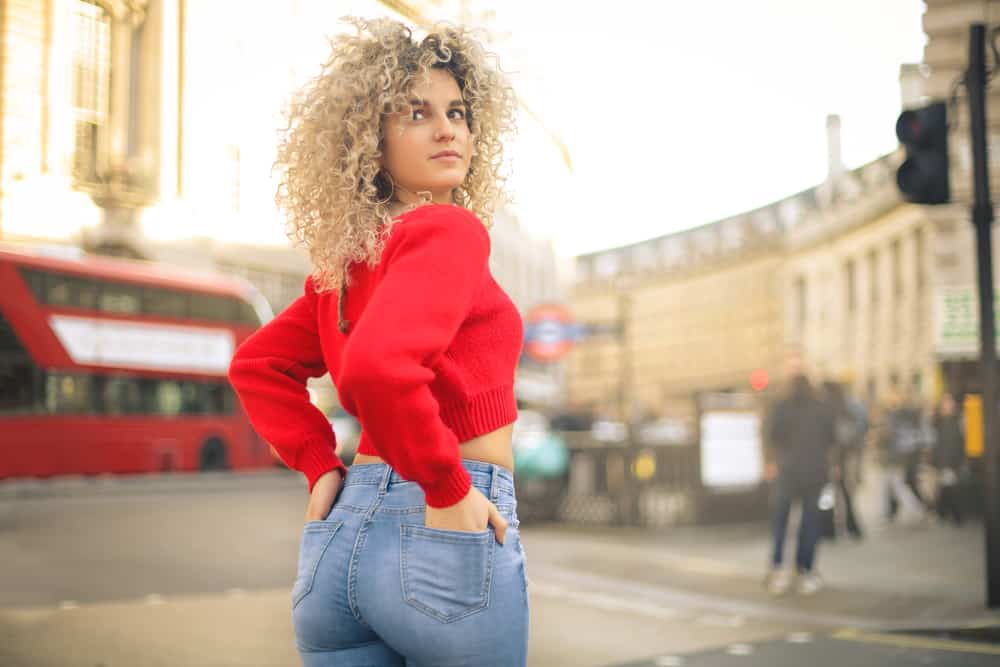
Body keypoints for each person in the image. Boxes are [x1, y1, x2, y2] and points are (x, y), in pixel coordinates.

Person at [227, 18, 527, 666]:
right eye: (417, 113)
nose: (448, 128)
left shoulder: (342, 266)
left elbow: (256, 367)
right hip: (441, 520)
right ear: (370, 140)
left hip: (338, 548)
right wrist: (447, 487)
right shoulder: (449, 228)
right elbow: (379, 367)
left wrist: (318, 464)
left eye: (458, 111)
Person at [763, 372, 836, 596]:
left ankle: (777, 570)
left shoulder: (781, 407)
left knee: (780, 523)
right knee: (810, 524)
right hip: (815, 472)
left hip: (788, 471)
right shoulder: (821, 408)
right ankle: (805, 570)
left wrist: (771, 463)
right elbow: (831, 439)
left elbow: (771, 435)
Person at [821, 380, 867, 540]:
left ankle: (829, 529)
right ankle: (852, 527)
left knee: (828, 494)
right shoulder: (846, 408)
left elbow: (832, 439)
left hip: (832, 459)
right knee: (845, 494)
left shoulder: (827, 409)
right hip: (845, 458)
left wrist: (833, 462)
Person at [879, 389, 928, 525]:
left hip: (897, 458)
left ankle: (917, 509)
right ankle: (890, 512)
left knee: (898, 486)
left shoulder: (899, 418)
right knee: (891, 485)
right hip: (894, 457)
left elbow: (897, 439)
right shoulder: (893, 416)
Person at [931, 393, 966, 525]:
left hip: (952, 461)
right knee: (947, 487)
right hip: (943, 461)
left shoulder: (957, 420)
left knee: (950, 488)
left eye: (949, 402)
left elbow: (960, 442)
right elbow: (937, 443)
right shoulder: (938, 422)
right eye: (945, 403)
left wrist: (959, 460)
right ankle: (948, 514)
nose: (947, 406)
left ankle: (951, 514)